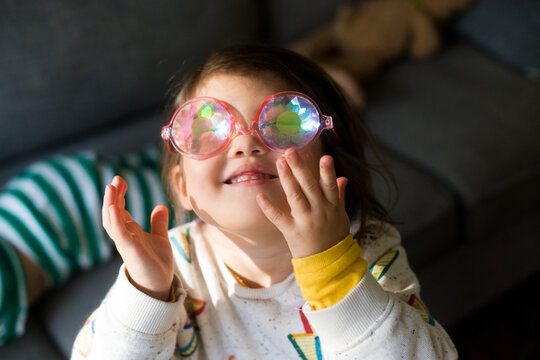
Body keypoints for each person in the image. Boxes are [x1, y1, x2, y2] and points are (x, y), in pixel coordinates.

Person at [71, 43, 458, 359]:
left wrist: (333, 270)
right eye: (208, 132)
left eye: (285, 124)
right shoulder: (171, 269)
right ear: (182, 187)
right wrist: (147, 293)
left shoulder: (365, 246)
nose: (245, 143)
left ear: (330, 162)